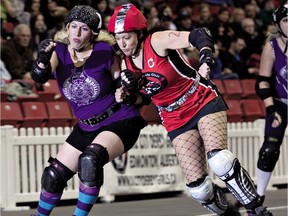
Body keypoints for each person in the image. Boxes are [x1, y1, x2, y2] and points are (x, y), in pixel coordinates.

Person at [108, 3, 273, 216]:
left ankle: (256, 209)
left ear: (139, 33)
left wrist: (205, 56)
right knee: (199, 190)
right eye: (118, 38)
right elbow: (142, 100)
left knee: (220, 161)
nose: (122, 44)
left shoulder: (157, 41)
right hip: (173, 116)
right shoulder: (126, 65)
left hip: (200, 100)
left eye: (127, 37)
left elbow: (199, 34)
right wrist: (127, 95)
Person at [30, 5, 147, 216]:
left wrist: (127, 87)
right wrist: (41, 61)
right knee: (53, 175)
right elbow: (40, 77)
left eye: (83, 28)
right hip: (87, 126)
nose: (76, 33)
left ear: (93, 32)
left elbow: (121, 82)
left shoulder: (105, 51)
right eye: (72, 26)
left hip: (119, 120)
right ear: (66, 28)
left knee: (90, 160)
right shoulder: (59, 51)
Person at [254, 2, 288, 214]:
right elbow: (263, 82)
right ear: (278, 23)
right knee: (269, 150)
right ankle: (257, 197)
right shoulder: (272, 47)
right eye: (286, 20)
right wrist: (270, 109)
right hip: (281, 104)